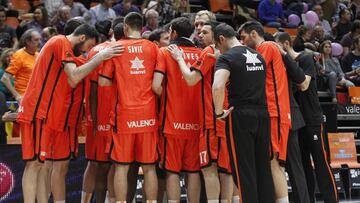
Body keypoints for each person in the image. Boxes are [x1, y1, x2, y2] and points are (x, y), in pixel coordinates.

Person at [17, 24, 122, 203]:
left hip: (46, 114)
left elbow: (83, 69)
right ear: (82, 38)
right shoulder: (60, 41)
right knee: (34, 164)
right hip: (37, 110)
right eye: (88, 46)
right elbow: (74, 77)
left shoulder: (68, 52)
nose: (87, 51)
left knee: (41, 166)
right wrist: (100, 57)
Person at [167, 21, 234, 202]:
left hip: (212, 119)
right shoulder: (237, 52)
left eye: (205, 32)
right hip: (231, 119)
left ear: (217, 36)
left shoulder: (208, 52)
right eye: (199, 31)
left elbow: (190, 79)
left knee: (209, 169)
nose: (199, 35)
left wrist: (180, 58)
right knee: (227, 170)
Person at [98, 12, 159, 203]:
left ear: (125, 27)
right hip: (148, 116)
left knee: (122, 167)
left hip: (123, 116)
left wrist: (124, 81)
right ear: (142, 27)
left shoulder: (115, 48)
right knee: (149, 167)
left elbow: (103, 82)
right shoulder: (153, 48)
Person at [212, 23, 275, 203]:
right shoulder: (258, 56)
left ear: (222, 39)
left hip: (240, 115)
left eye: (217, 45)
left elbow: (217, 86)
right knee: (263, 168)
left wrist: (218, 113)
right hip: (263, 114)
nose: (218, 49)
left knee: (243, 169)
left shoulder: (226, 58)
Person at [278, 32, 338, 203]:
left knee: (321, 163)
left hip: (312, 119)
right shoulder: (284, 65)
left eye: (277, 46)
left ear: (286, 44)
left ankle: (332, 200)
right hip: (298, 121)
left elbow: (303, 85)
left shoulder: (305, 58)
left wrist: (284, 57)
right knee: (303, 166)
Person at [238, 21, 291, 203]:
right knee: (272, 163)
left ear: (254, 34)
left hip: (275, 111)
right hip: (272, 112)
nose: (242, 43)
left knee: (274, 163)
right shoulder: (269, 47)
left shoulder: (266, 46)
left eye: (243, 37)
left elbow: (247, 69)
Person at [152, 17, 202, 203]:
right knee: (193, 171)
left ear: (173, 33)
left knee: (172, 171)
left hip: (172, 124)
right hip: (197, 124)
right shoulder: (201, 54)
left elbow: (156, 86)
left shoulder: (165, 52)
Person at [81, 18, 124, 203]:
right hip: (104, 116)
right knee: (109, 165)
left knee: (101, 164)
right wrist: (95, 119)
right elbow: (92, 87)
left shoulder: (99, 50)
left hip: (104, 116)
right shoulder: (100, 51)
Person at [274, 32, 312, 203]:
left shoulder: (295, 60)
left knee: (294, 166)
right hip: (276, 117)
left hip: (290, 117)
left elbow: (302, 84)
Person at [1, 29, 41, 103]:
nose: (39, 42)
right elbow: (5, 79)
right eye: (36, 40)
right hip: (25, 97)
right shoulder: (19, 55)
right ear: (27, 42)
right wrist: (17, 96)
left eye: (40, 39)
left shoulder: (38, 55)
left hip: (37, 96)